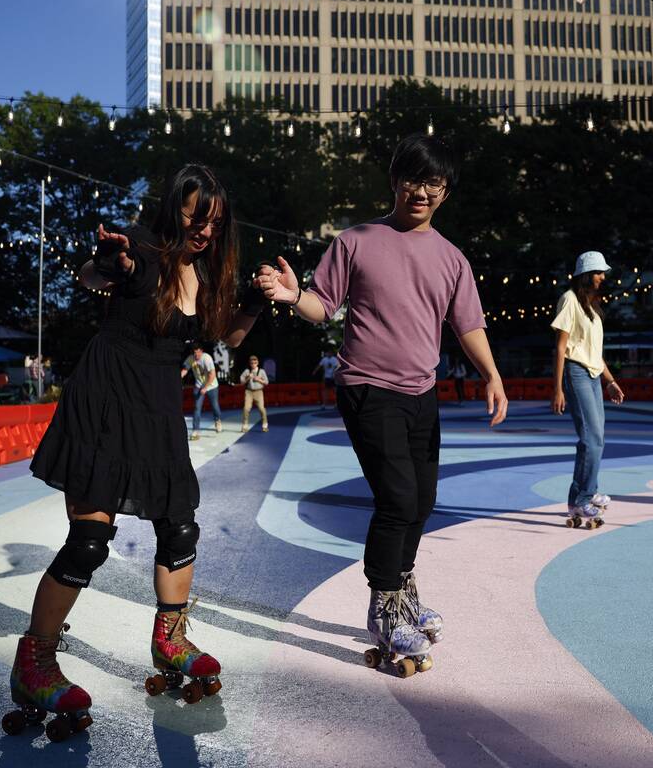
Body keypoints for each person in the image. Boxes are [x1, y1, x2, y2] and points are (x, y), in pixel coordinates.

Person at [9, 165, 264, 737]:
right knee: (89, 541)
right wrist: (111, 264)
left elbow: (224, 337)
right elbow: (93, 275)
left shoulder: (203, 273)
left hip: (156, 412)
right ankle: (35, 662)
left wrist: (257, 300)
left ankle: (170, 641)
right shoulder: (141, 253)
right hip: (104, 401)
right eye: (196, 215)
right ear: (174, 208)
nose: (204, 229)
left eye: (215, 221)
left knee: (180, 529)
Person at [256, 133, 509, 675]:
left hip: (422, 391)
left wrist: (492, 375)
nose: (423, 191)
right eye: (414, 179)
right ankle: (384, 606)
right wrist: (290, 295)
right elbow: (322, 305)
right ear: (395, 180)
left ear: (446, 191)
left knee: (422, 501)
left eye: (435, 182)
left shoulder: (452, 258)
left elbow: (468, 325)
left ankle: (404, 590)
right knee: (397, 498)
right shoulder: (357, 242)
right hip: (367, 386)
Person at [551, 252, 625, 526]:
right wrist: (557, 388)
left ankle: (577, 497)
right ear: (585, 274)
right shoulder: (569, 300)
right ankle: (585, 497)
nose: (603, 277)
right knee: (592, 439)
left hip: (594, 375)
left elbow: (595, 353)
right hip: (576, 372)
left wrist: (611, 381)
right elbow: (561, 347)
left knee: (595, 439)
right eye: (598, 272)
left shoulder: (593, 307)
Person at [182, 343, 221, 439]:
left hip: (211, 385)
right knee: (196, 408)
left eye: (198, 353)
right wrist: (179, 377)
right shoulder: (191, 358)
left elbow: (212, 375)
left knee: (214, 406)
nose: (196, 355)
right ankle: (195, 430)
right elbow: (185, 369)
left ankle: (217, 420)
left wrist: (205, 387)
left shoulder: (207, 358)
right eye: (194, 353)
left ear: (201, 351)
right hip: (199, 386)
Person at [238, 354, 270, 433]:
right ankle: (245, 426)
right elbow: (241, 382)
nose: (253, 365)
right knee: (246, 408)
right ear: (250, 363)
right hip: (249, 391)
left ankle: (265, 425)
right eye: (252, 363)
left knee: (262, 409)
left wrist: (259, 379)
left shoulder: (261, 371)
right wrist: (248, 378)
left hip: (258, 391)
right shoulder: (247, 371)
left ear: (257, 363)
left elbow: (266, 382)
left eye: (255, 363)